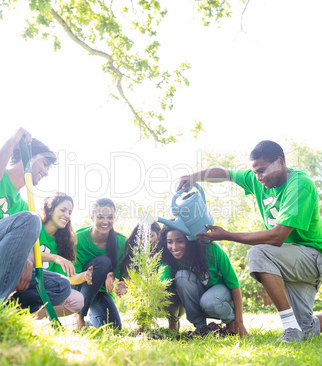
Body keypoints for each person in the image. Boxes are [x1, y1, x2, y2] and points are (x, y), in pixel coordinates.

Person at [178, 140, 322, 342]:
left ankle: (290, 329)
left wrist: (227, 235)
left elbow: (277, 236)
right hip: (287, 260)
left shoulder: (300, 184)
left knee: (257, 252)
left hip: (311, 257)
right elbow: (226, 174)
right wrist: (194, 177)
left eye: (261, 171)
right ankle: (304, 325)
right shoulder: (257, 179)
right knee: (307, 328)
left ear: (279, 162)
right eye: (255, 172)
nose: (258, 177)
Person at [0, 128, 71, 314]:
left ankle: (6, 310)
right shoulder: (2, 178)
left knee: (61, 286)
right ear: (29, 156)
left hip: (5, 267)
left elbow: (31, 248)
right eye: (45, 164)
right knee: (31, 220)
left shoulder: (24, 207)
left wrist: (29, 261)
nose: (46, 172)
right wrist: (12, 142)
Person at [156, 225, 247, 336]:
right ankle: (201, 328)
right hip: (200, 294)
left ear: (189, 240)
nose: (174, 247)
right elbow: (163, 280)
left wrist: (239, 322)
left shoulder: (211, 248)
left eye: (180, 241)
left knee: (209, 301)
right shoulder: (168, 257)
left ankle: (230, 321)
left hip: (221, 293)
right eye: (169, 242)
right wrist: (157, 292)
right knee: (181, 276)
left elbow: (234, 285)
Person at [115, 221, 184, 330]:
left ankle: (173, 322)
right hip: (149, 296)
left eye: (151, 236)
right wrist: (125, 286)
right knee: (136, 289)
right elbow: (128, 280)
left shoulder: (164, 257)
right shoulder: (135, 259)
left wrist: (148, 284)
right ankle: (143, 324)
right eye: (142, 237)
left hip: (173, 301)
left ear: (159, 237)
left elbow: (163, 285)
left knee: (162, 293)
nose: (146, 241)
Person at [36, 192, 93, 319]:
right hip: (23, 280)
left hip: (44, 286)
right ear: (50, 211)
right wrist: (55, 258)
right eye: (63, 210)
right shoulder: (35, 226)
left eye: (70, 212)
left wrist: (84, 276)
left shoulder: (64, 242)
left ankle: (32, 315)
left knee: (77, 300)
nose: (67, 215)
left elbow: (68, 278)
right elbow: (24, 254)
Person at [74, 198, 126, 329]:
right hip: (78, 288)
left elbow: (124, 273)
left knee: (114, 328)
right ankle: (79, 318)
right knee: (104, 261)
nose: (105, 221)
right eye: (100, 217)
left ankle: (90, 323)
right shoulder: (78, 239)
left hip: (100, 292)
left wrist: (114, 276)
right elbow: (73, 276)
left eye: (110, 217)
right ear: (92, 217)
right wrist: (88, 275)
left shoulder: (120, 241)